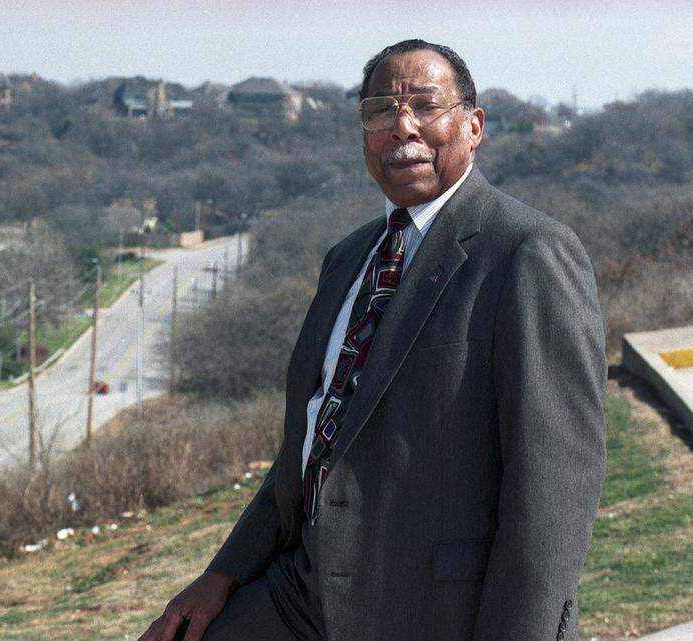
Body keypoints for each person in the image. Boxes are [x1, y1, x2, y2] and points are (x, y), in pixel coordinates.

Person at [139, 39, 606, 641]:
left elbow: (556, 484)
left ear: (473, 126)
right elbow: (313, 440)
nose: (402, 127)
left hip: (433, 609)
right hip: (302, 592)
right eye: (382, 110)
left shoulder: (526, 252)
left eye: (425, 106)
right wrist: (222, 574)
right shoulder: (349, 259)